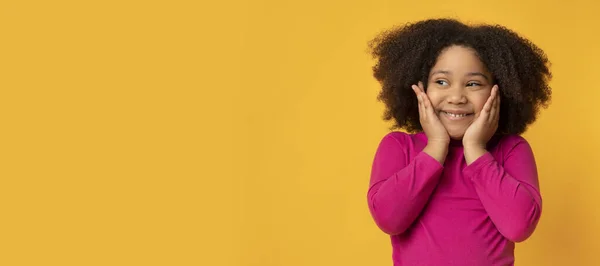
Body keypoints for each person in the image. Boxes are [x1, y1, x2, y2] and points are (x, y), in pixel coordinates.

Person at [366, 18, 552, 266]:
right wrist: (435, 147)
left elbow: (519, 226)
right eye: (441, 82)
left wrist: (475, 150)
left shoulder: (512, 150)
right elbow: (389, 219)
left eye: (473, 84)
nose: (456, 97)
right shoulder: (398, 147)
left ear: (499, 92)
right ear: (420, 88)